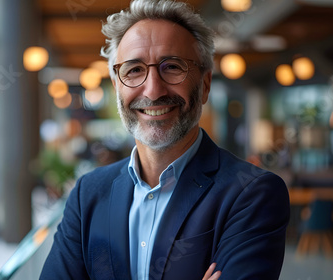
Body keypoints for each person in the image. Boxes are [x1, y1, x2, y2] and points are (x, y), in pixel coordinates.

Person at [40, 0, 290, 279]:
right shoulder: (88, 193)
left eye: (172, 67)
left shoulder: (252, 193)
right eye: (133, 70)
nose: (154, 90)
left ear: (204, 85)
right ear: (116, 87)